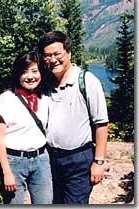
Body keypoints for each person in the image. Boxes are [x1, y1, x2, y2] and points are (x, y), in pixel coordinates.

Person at [38, 31, 109, 204]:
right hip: (50, 159)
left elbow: (101, 123)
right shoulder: (45, 83)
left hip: (78, 160)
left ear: (68, 53)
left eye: (57, 54)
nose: (52, 59)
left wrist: (98, 162)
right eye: (47, 56)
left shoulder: (87, 81)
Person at [0, 51, 53, 204]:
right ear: (17, 75)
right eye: (24, 72)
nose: (30, 76)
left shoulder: (45, 97)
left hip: (41, 160)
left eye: (34, 71)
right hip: (14, 162)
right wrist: (7, 172)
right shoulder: (6, 99)